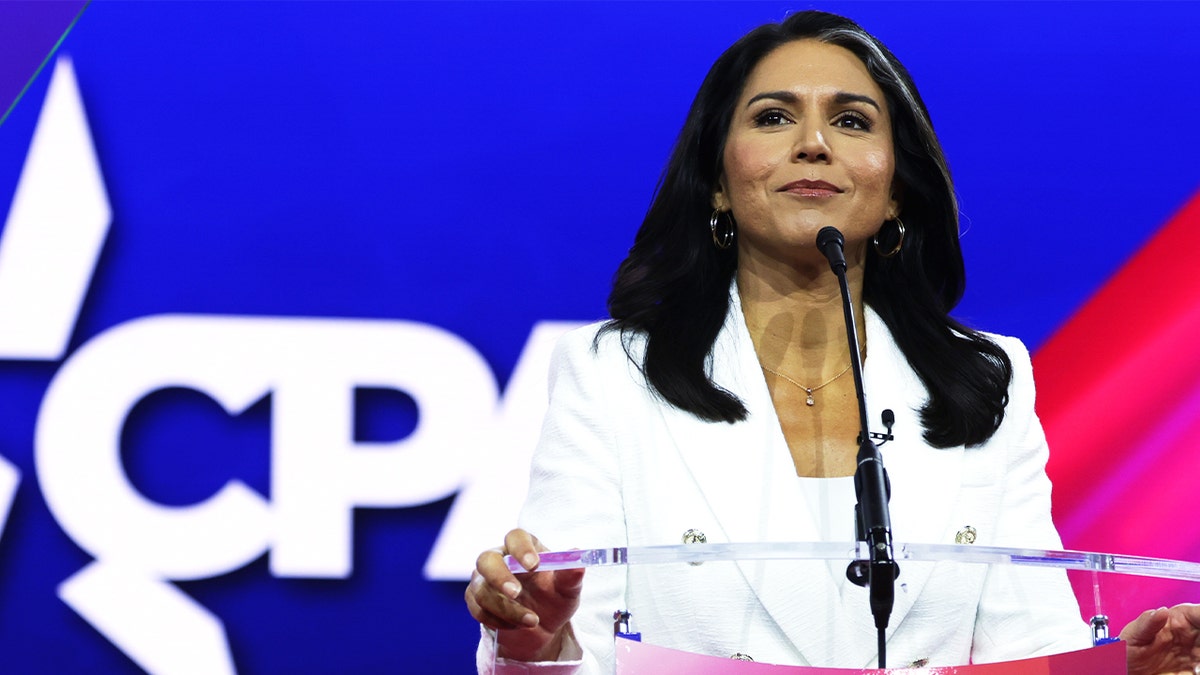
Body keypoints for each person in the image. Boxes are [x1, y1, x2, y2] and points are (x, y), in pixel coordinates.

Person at [465, 9, 1200, 674]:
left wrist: (1111, 671)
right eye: (774, 117)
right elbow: (570, 640)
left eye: (851, 121)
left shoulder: (984, 377)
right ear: (718, 181)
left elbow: (1025, 647)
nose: (813, 143)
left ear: (895, 191)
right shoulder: (617, 373)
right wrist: (536, 644)